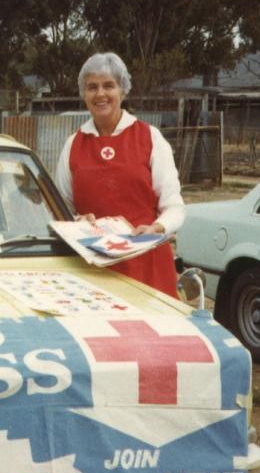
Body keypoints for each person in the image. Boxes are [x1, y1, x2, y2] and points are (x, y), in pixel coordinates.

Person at [55, 52, 185, 297]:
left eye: (109, 86)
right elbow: (60, 208)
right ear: (84, 94)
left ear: (123, 90)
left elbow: (175, 208)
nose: (100, 94)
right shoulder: (73, 144)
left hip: (147, 265)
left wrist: (158, 227)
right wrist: (76, 220)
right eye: (92, 87)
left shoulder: (150, 137)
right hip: (93, 268)